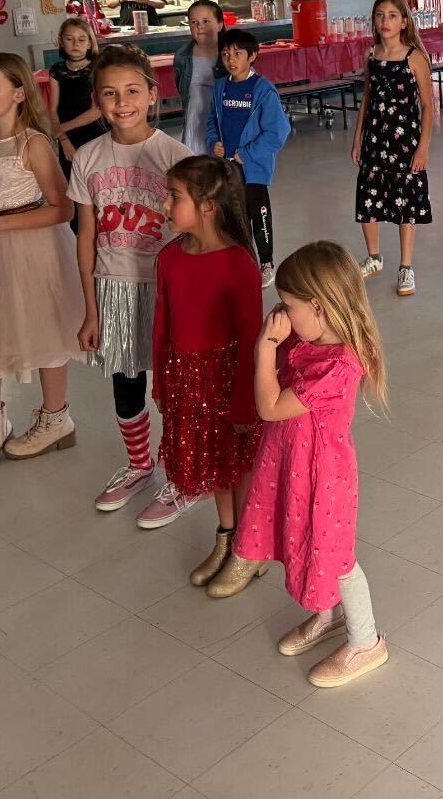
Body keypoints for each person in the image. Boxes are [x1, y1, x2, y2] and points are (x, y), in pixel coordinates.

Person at [208, 242, 390, 689]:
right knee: (308, 543)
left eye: (289, 306)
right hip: (294, 464)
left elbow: (270, 407)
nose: (283, 316)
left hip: (323, 475)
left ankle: (366, 642)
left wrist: (265, 348)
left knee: (337, 556)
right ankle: (326, 615)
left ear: (319, 307)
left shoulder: (338, 366)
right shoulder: (311, 340)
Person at [68, 45, 193, 521]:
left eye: (133, 91)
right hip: (113, 288)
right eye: (110, 94)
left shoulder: (175, 157)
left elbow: (196, 236)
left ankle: (183, 475)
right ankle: (140, 464)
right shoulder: (88, 157)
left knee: (175, 386)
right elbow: (86, 237)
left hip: (166, 288)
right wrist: (91, 310)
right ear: (97, 100)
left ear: (153, 94)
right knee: (126, 381)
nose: (122, 103)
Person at [0, 54, 84, 475]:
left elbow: (62, 209)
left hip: (31, 248)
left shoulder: (33, 144)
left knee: (43, 329)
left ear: (19, 94)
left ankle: (56, 418)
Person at [152, 157, 264, 578]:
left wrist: (244, 404)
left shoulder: (238, 264)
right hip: (188, 382)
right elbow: (162, 326)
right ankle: (227, 537)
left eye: (174, 197)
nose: (165, 205)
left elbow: (252, 341)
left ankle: (248, 550)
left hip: (229, 381)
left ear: (208, 207)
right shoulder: (169, 258)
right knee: (216, 465)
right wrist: (162, 383)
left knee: (237, 465)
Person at [352, 0, 433, 297]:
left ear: (404, 22)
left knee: (405, 200)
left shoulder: (415, 58)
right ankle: (374, 257)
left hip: (405, 140)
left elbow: (428, 106)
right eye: (379, 15)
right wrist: (358, 138)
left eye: (392, 16)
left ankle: (406, 266)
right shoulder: (371, 55)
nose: (384, 21)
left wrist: (423, 148)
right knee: (368, 195)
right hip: (375, 138)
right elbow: (367, 98)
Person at [207, 27, 291, 287]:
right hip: (227, 167)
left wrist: (248, 153)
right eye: (225, 54)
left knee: (259, 214)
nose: (231, 60)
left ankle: (266, 263)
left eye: (237, 54)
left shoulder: (263, 89)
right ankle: (243, 261)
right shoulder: (220, 88)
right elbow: (212, 121)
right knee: (234, 215)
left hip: (253, 168)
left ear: (252, 56)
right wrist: (213, 142)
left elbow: (278, 131)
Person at [48, 17, 101, 170]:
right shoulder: (57, 70)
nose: (75, 44)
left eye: (81, 39)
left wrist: (60, 129)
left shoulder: (98, 68)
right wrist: (64, 141)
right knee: (71, 176)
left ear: (90, 43)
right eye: (69, 39)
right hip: (67, 136)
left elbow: (97, 110)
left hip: (96, 132)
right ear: (61, 41)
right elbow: (53, 109)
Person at [175, 0, 225, 156]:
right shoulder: (182, 56)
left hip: (223, 124)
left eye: (206, 21)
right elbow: (181, 87)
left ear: (219, 24)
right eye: (194, 22)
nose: (199, 26)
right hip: (195, 122)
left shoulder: (232, 54)